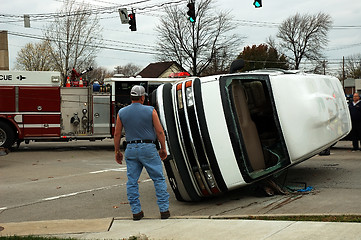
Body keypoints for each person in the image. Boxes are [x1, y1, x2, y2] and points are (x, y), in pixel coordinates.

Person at [113, 85, 170, 221]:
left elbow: (117, 133)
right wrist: (163, 148)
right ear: (143, 97)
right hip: (148, 147)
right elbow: (160, 131)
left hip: (131, 149)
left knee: (132, 181)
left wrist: (117, 151)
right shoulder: (150, 111)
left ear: (131, 97)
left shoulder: (122, 112)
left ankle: (136, 212)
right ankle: (164, 210)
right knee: (158, 179)